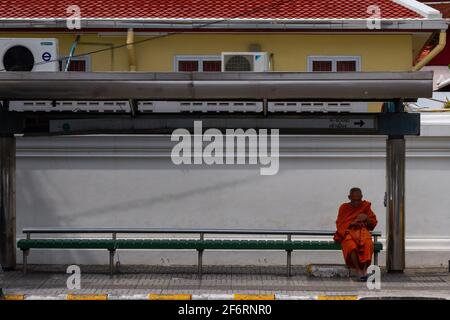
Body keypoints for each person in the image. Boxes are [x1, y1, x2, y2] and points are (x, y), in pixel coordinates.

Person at [333, 187, 377, 281]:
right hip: (348, 232)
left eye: (358, 200)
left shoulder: (365, 206)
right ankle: (357, 270)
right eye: (354, 200)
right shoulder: (344, 207)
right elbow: (340, 224)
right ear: (349, 197)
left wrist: (366, 218)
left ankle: (364, 270)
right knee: (351, 246)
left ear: (362, 197)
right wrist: (352, 223)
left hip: (362, 232)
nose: (357, 203)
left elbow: (372, 224)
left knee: (368, 243)